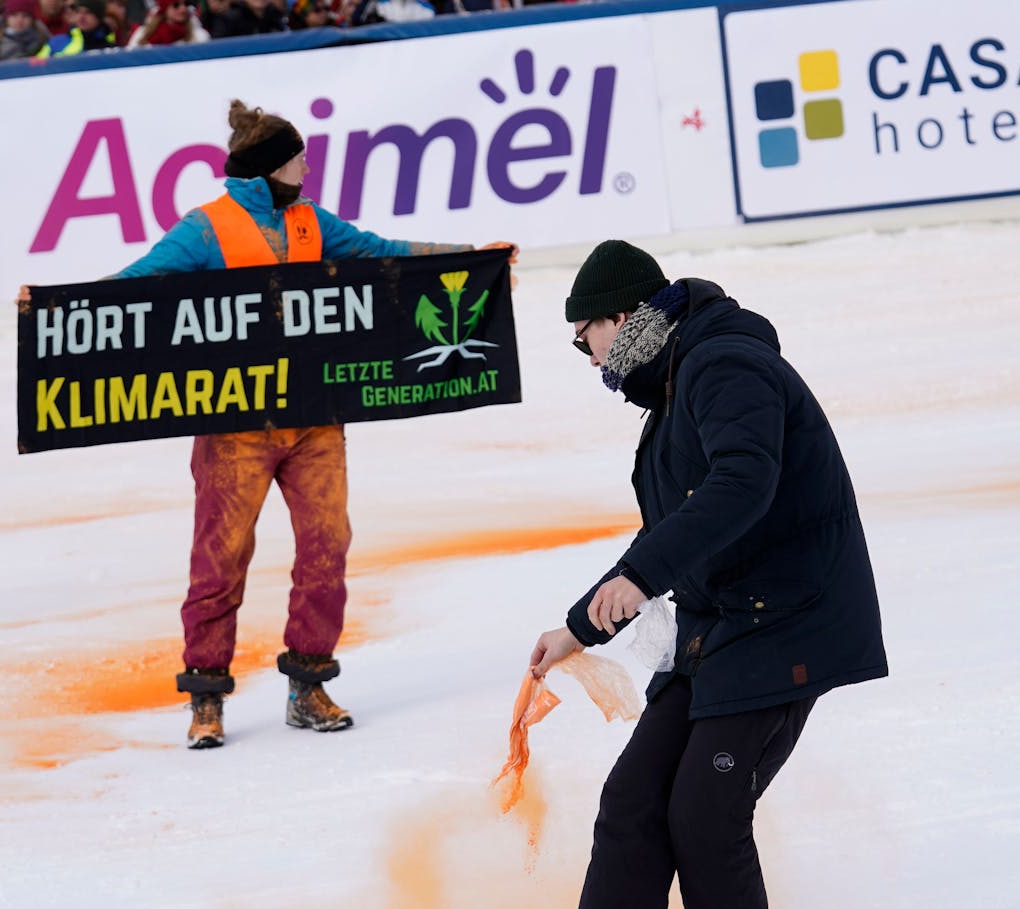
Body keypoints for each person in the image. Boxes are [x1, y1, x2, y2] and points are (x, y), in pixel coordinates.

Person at [114, 99, 514, 749]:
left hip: (315, 418)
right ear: (273, 166)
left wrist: (472, 260)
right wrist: (51, 313)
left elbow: (387, 255)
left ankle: (308, 683)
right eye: (300, 156)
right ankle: (207, 695)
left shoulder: (311, 222)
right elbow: (134, 286)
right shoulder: (205, 229)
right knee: (219, 560)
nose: (309, 164)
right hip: (233, 425)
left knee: (327, 546)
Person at [527, 240, 887, 908]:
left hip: (782, 623)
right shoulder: (674, 386)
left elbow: (744, 480)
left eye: (588, 340)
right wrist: (581, 625)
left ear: (626, 315)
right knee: (634, 802)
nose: (593, 360)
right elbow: (672, 524)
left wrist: (638, 578)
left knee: (704, 814)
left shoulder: (723, 364)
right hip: (717, 631)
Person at [125, 0, 206, 47]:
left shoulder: (198, 36)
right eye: (176, 5)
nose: (183, 9)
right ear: (165, 8)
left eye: (186, 4)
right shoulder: (142, 34)